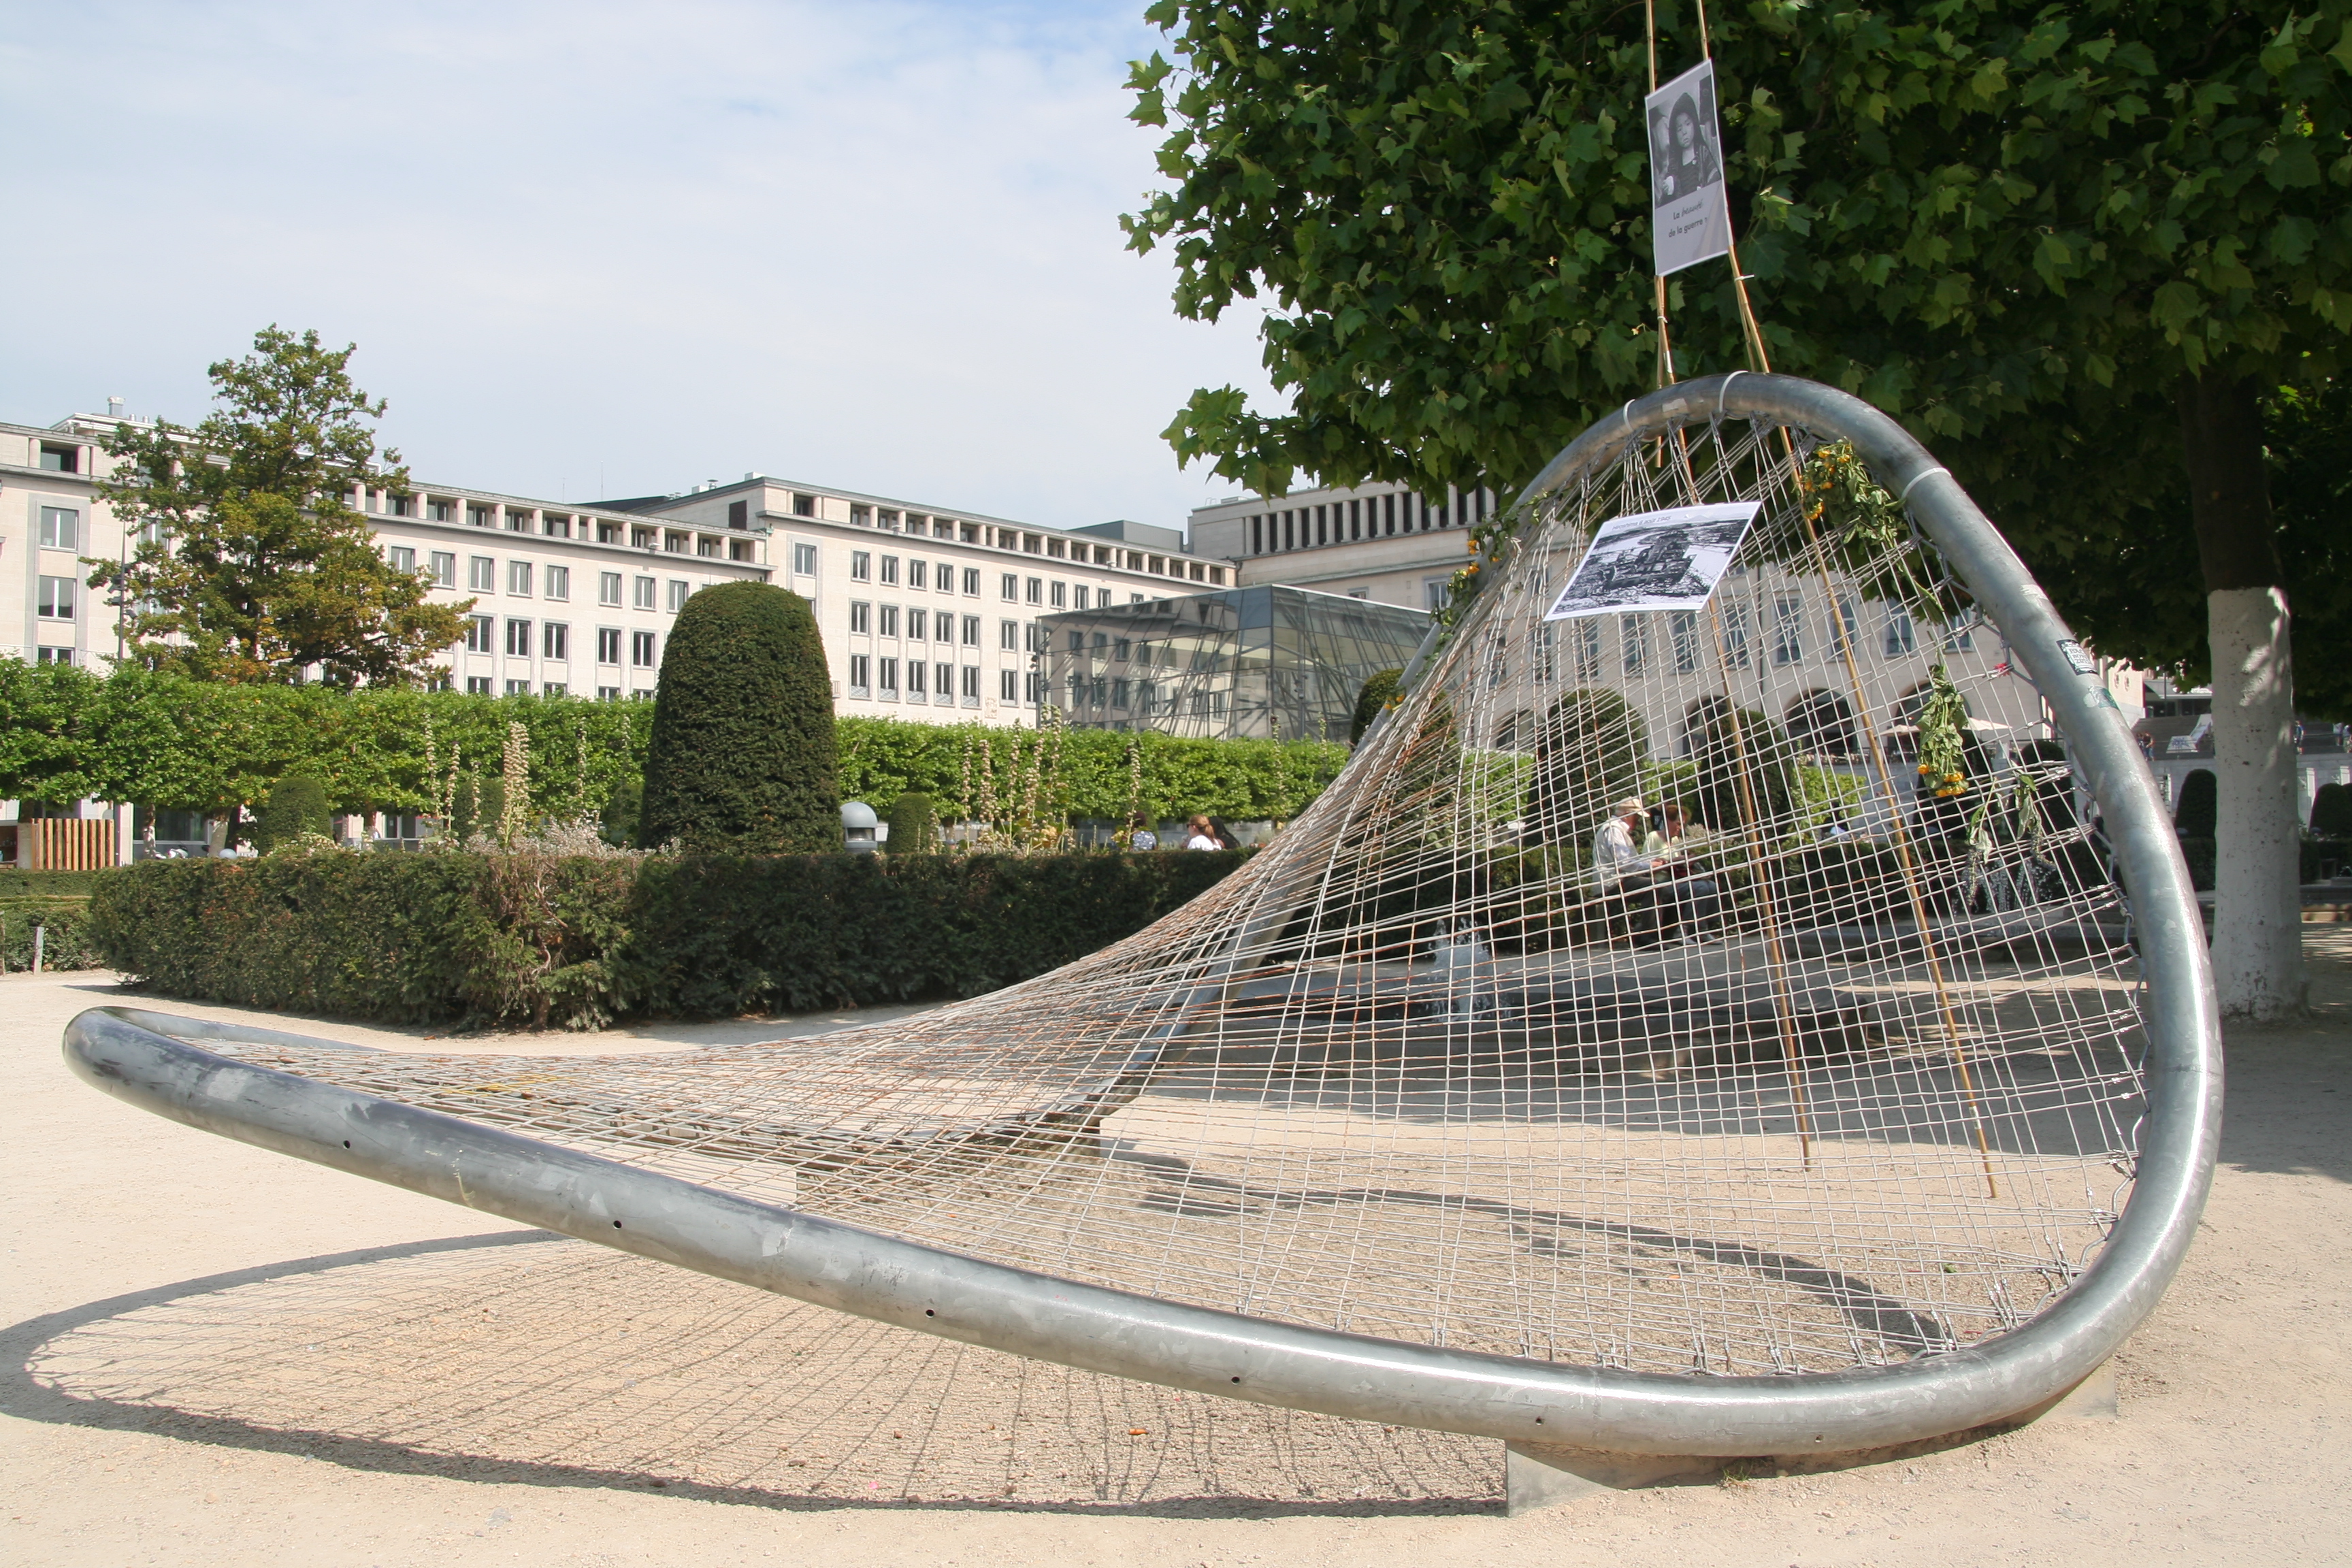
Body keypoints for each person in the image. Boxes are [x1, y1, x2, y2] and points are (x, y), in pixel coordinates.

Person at [1642, 802, 1722, 938]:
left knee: (1711, 885)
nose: (1680, 827)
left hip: (1677, 880)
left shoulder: (1675, 841)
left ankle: (1704, 926)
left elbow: (1678, 867)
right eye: (1678, 823)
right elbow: (1645, 867)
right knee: (1700, 888)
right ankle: (1687, 929)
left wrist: (1687, 861)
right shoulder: (1654, 837)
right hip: (1661, 883)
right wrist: (1670, 863)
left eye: (1682, 824)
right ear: (1668, 820)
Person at [1592, 798, 1660, 944]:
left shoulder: (1617, 829)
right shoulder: (1614, 830)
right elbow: (1624, 863)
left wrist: (1651, 863)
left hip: (1617, 879)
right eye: (1636, 816)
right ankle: (1646, 937)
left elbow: (1627, 861)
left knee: (1663, 887)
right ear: (1626, 814)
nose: (1638, 820)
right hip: (1612, 882)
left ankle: (1645, 932)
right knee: (1655, 887)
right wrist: (1650, 865)